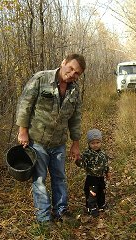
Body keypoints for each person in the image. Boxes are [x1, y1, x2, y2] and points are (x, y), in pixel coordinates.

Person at [16, 53, 86, 223]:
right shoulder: (41, 79)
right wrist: (22, 130)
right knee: (39, 179)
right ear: (64, 63)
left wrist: (75, 143)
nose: (72, 74)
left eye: (77, 73)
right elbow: (25, 104)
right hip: (37, 140)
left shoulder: (75, 90)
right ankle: (44, 218)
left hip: (59, 142)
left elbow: (75, 118)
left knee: (59, 177)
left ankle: (61, 210)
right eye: (70, 69)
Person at [75, 128, 111, 217]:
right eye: (92, 143)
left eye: (97, 142)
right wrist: (77, 160)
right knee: (92, 192)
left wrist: (107, 172)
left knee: (101, 191)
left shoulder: (103, 153)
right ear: (89, 144)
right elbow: (83, 164)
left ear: (101, 142)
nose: (95, 145)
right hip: (91, 177)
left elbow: (105, 164)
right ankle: (91, 207)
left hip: (100, 177)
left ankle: (101, 204)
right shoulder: (87, 154)